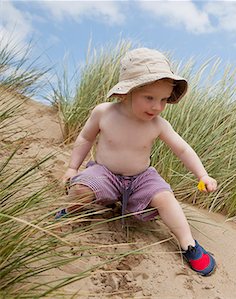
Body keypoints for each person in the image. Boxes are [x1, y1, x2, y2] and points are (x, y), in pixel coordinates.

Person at [56, 48, 217, 276]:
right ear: (126, 93)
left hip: (141, 178)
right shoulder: (104, 113)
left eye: (163, 100)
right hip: (105, 173)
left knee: (166, 198)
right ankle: (67, 212)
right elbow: (85, 137)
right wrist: (73, 167)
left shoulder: (157, 125)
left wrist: (203, 175)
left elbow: (182, 149)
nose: (157, 107)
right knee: (82, 188)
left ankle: (188, 243)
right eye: (149, 98)